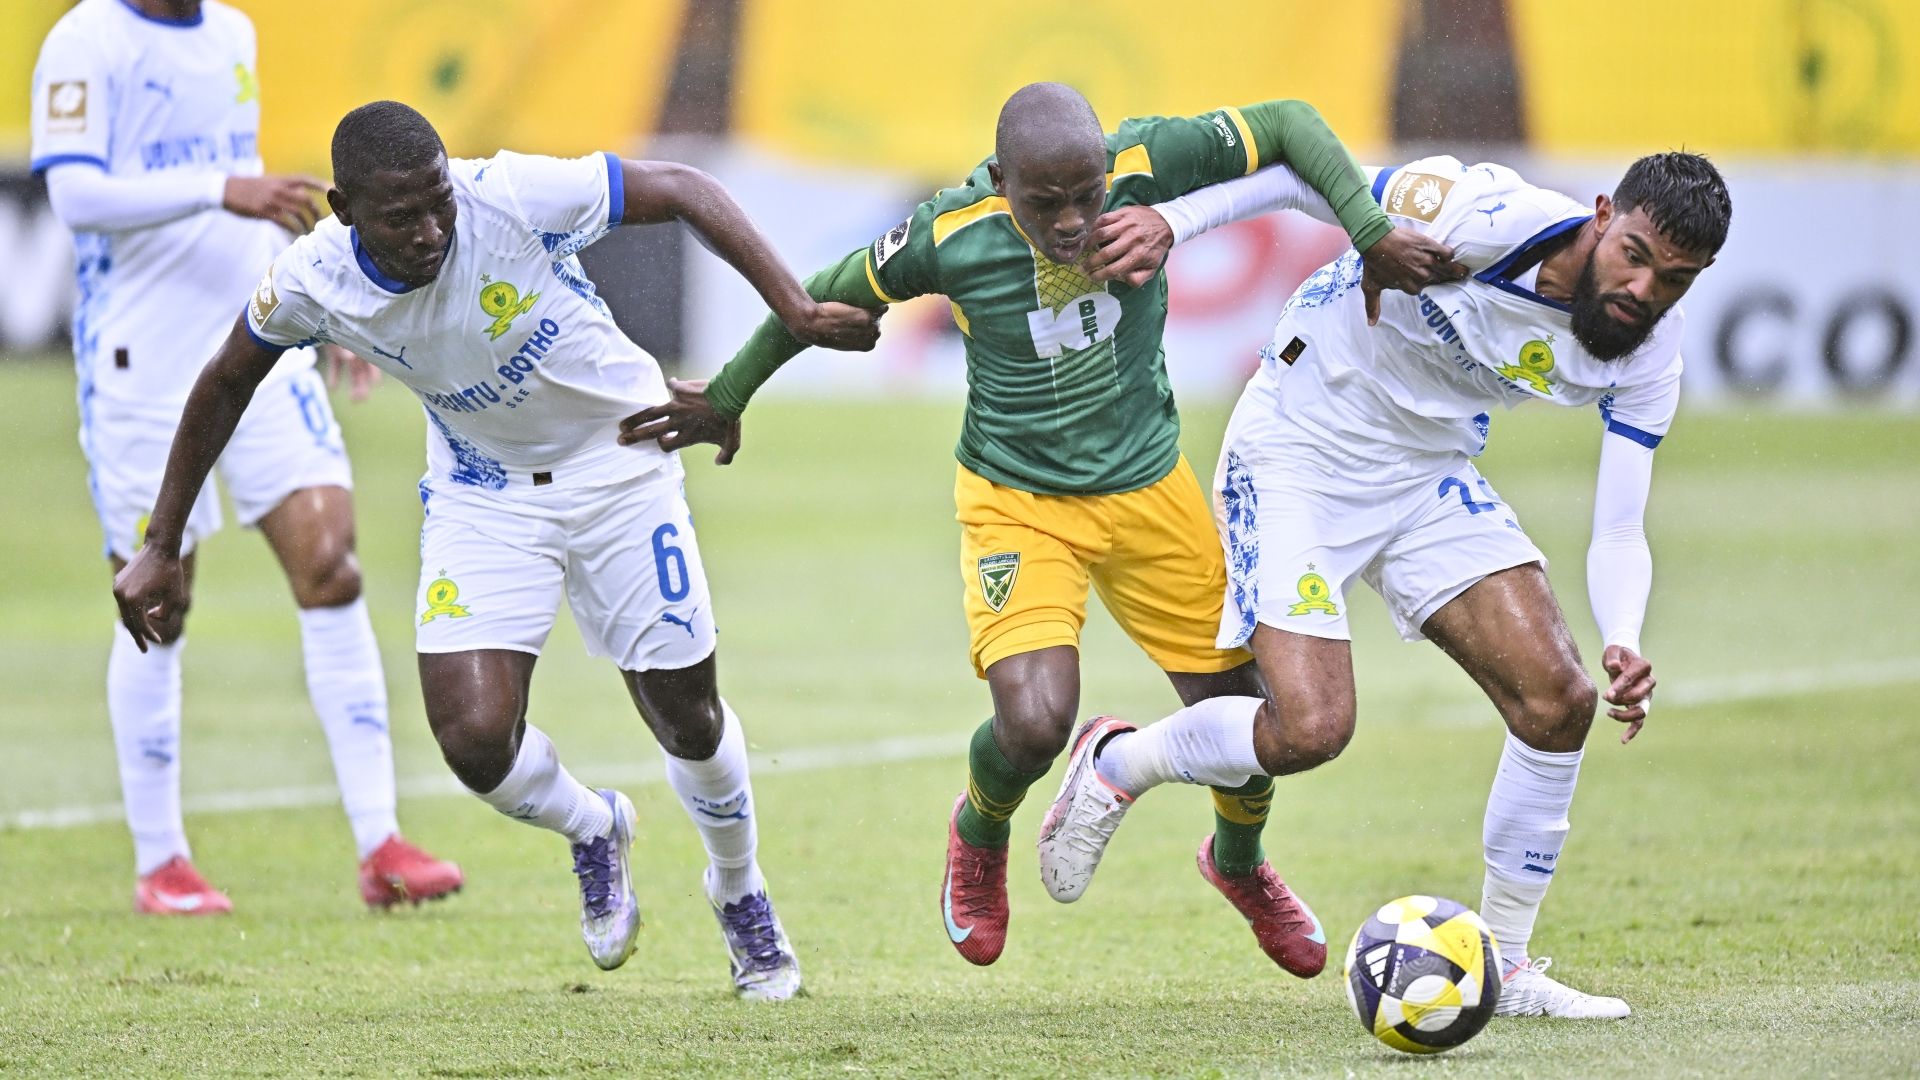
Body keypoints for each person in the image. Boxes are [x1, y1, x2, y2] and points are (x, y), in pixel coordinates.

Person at [618, 82, 1464, 971]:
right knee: (1033, 723)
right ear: (1000, 179)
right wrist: (726, 394)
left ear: (1106, 165)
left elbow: (1291, 120)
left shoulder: (1150, 161)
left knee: (1249, 721)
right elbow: (818, 293)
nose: (1070, 221)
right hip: (1018, 501)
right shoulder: (950, 232)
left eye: (1086, 195)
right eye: (1043, 202)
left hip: (1150, 487)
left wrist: (1369, 233)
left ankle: (1239, 863)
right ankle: (980, 834)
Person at [111, 100, 881, 997]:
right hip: (484, 495)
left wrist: (792, 307)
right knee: (475, 740)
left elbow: (684, 187)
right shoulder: (311, 279)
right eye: (403, 216)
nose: (434, 227)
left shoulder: (509, 193)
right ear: (342, 207)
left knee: (688, 718)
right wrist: (160, 544)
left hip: (621, 463)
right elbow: (224, 381)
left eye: (439, 199)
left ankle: (740, 890)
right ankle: (594, 827)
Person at [1039, 151, 1732, 1017]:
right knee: (1313, 728)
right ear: (1601, 215)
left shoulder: (1647, 355)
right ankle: (1117, 762)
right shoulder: (1477, 214)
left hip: (1423, 471)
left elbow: (1623, 525)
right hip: (1299, 441)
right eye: (1634, 254)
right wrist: (1174, 225)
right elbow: (1302, 174)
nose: (1643, 290)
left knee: (1560, 700)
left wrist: (1623, 632)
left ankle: (1506, 965)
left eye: (1675, 279)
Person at [30, 0, 461, 914]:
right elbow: (76, 198)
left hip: (249, 336)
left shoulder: (233, 34)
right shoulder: (85, 40)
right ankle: (161, 863)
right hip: (140, 357)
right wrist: (218, 187)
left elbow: (255, 210)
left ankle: (380, 841)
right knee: (160, 597)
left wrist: (333, 306)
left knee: (331, 561)